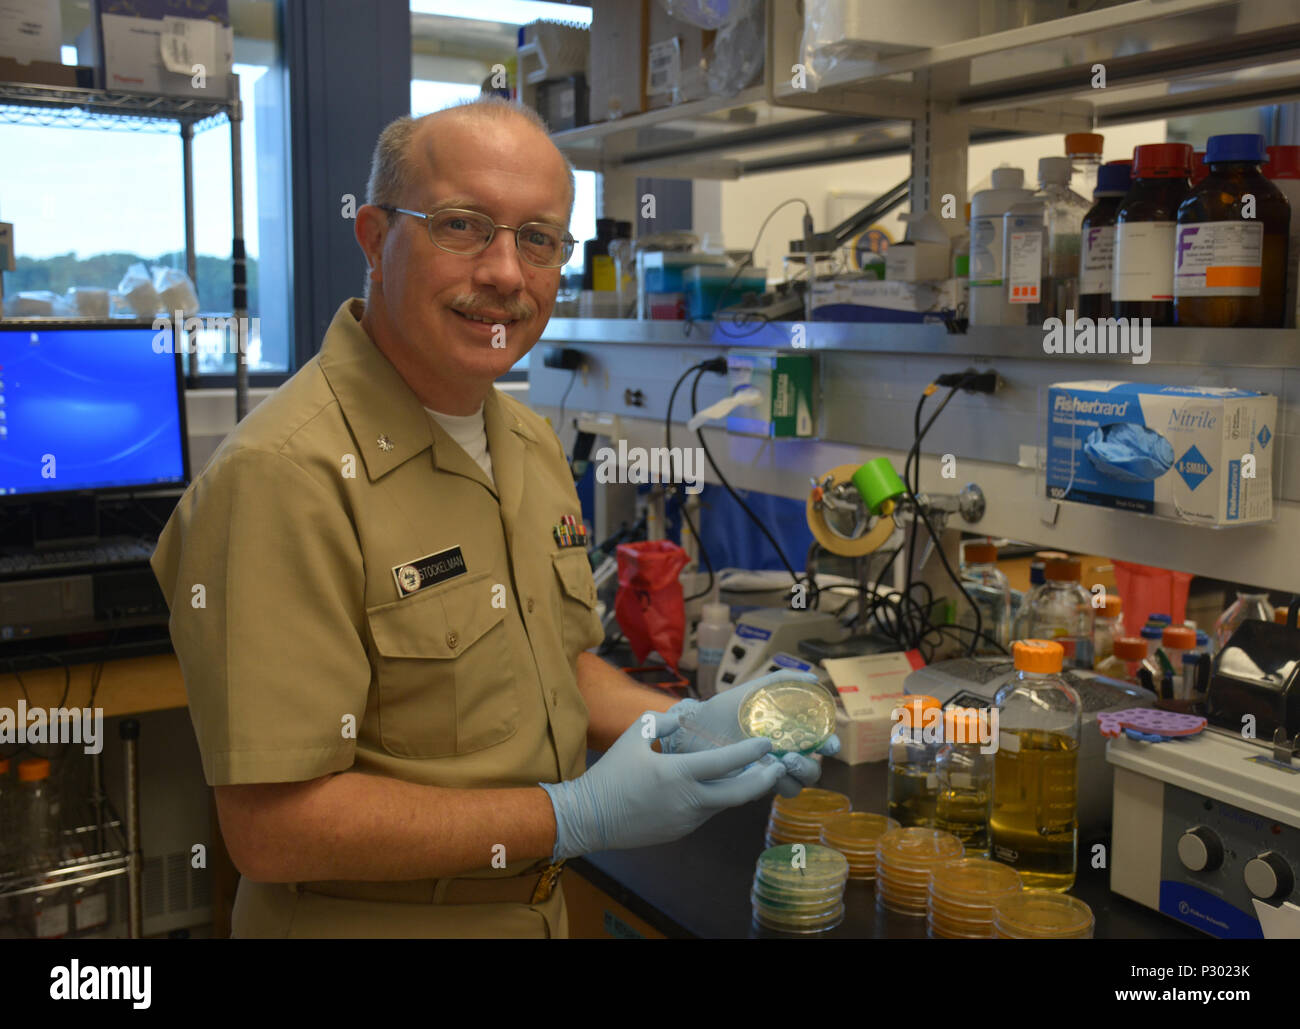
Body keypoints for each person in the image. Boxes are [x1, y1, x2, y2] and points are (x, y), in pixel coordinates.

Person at [150, 97, 838, 938]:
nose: (508, 273)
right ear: (372, 236)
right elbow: (275, 829)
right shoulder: (280, 479)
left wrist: (686, 724)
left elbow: (554, 667)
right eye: (463, 225)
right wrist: (572, 815)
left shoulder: (523, 441)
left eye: (539, 239)